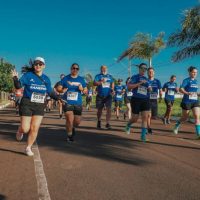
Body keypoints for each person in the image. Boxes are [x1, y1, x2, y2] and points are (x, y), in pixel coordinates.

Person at [11, 57, 58, 156]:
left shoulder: (46, 79)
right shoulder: (28, 75)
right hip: (27, 103)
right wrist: (15, 78)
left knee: (35, 128)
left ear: (44, 66)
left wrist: (59, 98)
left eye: (40, 64)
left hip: (40, 105)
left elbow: (49, 91)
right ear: (34, 65)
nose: (38, 65)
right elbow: (18, 86)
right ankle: (20, 130)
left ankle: (28, 147)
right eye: (36, 64)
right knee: (25, 128)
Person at [60, 63, 87, 142]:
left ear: (78, 70)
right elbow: (59, 88)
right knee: (69, 119)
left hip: (78, 102)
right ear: (71, 69)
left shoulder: (81, 79)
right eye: (73, 68)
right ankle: (69, 135)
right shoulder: (65, 78)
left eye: (76, 68)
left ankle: (72, 127)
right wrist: (62, 90)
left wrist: (82, 89)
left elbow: (86, 91)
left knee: (77, 122)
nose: (75, 70)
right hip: (67, 101)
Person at [125, 63, 151, 142]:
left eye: (145, 69)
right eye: (142, 68)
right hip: (136, 99)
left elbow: (149, 89)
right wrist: (139, 83)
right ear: (139, 68)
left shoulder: (147, 79)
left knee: (145, 118)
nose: (144, 70)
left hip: (145, 99)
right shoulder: (135, 77)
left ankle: (143, 136)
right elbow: (129, 87)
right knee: (135, 119)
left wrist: (150, 88)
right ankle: (128, 124)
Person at [173, 66, 200, 138]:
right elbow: (181, 89)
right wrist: (187, 93)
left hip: (195, 101)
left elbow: (195, 91)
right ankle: (177, 125)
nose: (195, 73)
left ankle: (198, 134)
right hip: (187, 101)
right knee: (185, 117)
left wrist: (198, 94)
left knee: (197, 116)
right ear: (190, 72)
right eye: (193, 72)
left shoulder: (196, 81)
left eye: (196, 72)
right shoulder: (186, 80)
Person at [93, 65, 114, 129]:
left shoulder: (110, 76)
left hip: (108, 95)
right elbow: (94, 83)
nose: (104, 69)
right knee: (99, 110)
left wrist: (112, 89)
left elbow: (112, 83)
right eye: (103, 68)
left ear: (107, 69)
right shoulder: (98, 76)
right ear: (101, 69)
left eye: (105, 68)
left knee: (109, 109)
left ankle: (107, 123)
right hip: (100, 95)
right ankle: (99, 121)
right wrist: (101, 81)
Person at [147, 67, 162, 134]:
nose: (151, 73)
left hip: (154, 99)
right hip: (146, 99)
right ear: (147, 73)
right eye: (149, 72)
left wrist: (161, 97)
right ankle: (148, 128)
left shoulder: (157, 81)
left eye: (152, 72)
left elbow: (160, 90)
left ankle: (147, 126)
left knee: (153, 116)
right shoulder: (145, 81)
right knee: (148, 115)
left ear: (154, 73)